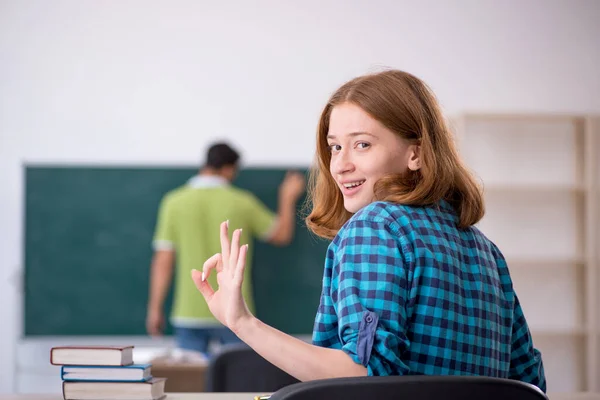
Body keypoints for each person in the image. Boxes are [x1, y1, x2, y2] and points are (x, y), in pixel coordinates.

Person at [190, 70, 546, 391]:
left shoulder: (376, 226)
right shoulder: (485, 249)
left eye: (362, 144)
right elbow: (529, 383)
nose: (341, 165)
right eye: (335, 147)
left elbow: (364, 377)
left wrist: (242, 322)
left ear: (416, 154)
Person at [146, 142, 305, 357]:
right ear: (229, 169)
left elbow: (163, 261)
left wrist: (155, 308)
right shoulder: (242, 202)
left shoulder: (174, 202)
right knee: (235, 383)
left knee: (190, 385)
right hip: (234, 310)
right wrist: (287, 197)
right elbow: (281, 234)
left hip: (189, 312)